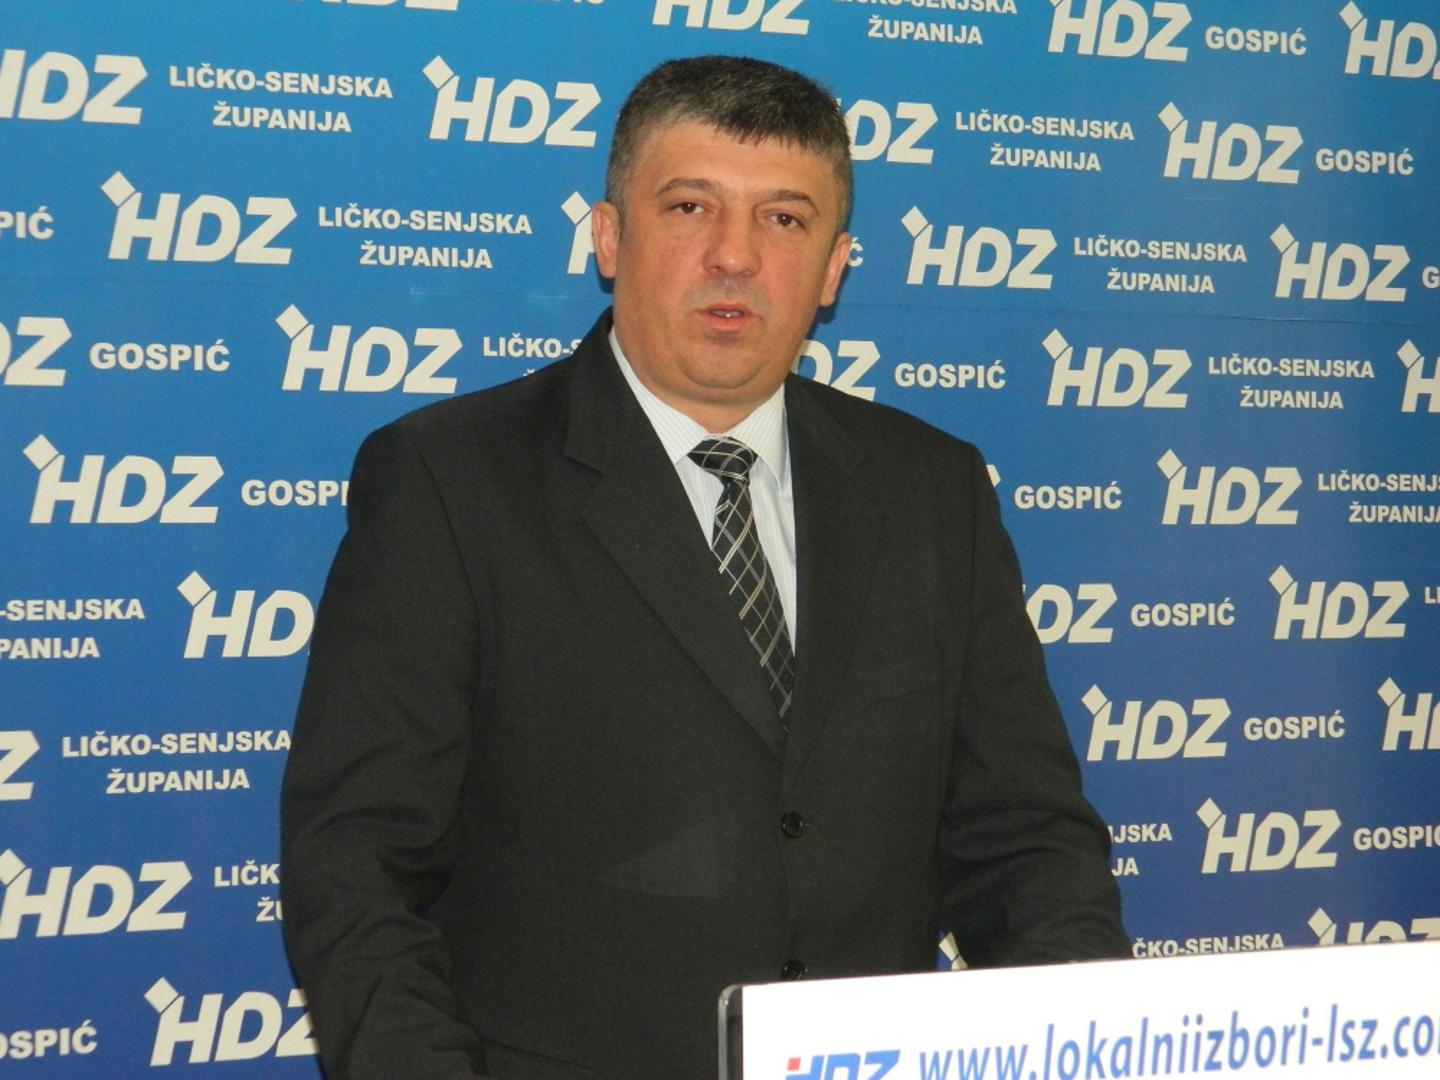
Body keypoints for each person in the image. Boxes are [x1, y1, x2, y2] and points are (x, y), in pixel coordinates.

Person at [280, 55, 1127, 1080]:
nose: (734, 256)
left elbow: (1028, 843)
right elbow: (356, 867)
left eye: (784, 219)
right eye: (690, 207)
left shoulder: (932, 490)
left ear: (834, 268)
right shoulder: (449, 481)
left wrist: (1081, 1051)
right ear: (609, 237)